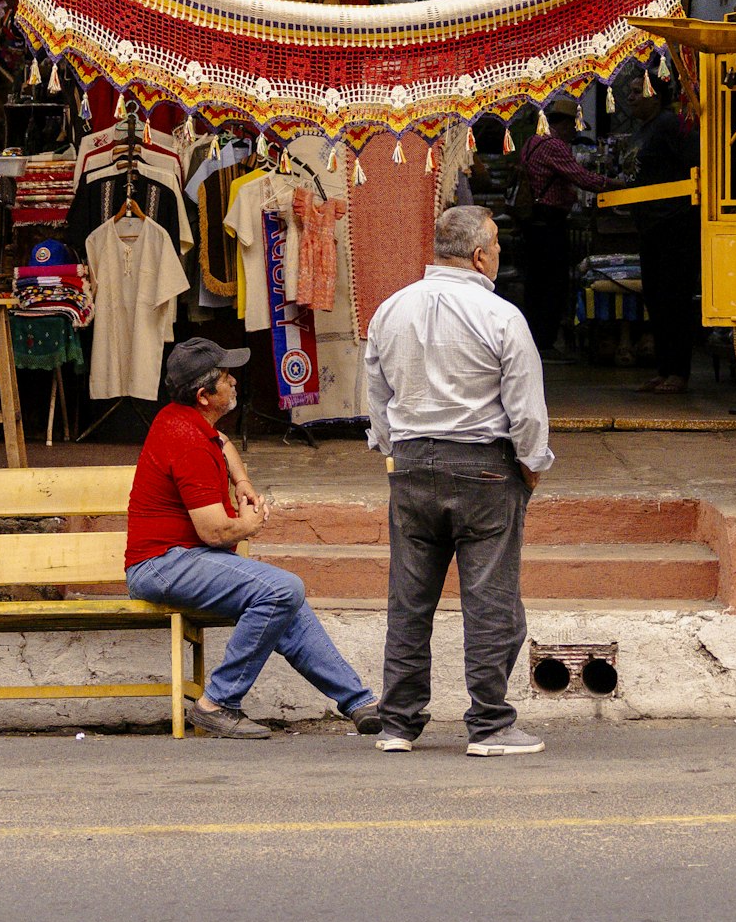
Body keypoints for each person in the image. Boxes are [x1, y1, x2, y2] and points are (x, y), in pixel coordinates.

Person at [362, 202, 553, 755]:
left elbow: (376, 399)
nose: (498, 255)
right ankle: (490, 724)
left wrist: (395, 450)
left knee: (409, 599)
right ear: (478, 255)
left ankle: (397, 722)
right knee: (491, 601)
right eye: (495, 246)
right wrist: (531, 465)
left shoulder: (391, 310)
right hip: (485, 469)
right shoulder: (501, 317)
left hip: (413, 466)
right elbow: (527, 409)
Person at [123, 336, 380, 738]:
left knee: (285, 598)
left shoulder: (183, 419)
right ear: (205, 395)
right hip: (164, 564)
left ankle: (360, 702)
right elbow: (213, 531)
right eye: (227, 378)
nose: (235, 383)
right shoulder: (188, 441)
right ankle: (217, 702)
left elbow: (223, 444)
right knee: (281, 589)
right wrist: (250, 523)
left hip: (178, 560)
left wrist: (240, 480)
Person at [631, 84, 703, 395]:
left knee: (675, 299)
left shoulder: (671, 124)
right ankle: (663, 369)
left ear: (654, 96)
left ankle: (679, 372)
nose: (630, 97)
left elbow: (696, 164)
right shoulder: (645, 130)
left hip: (675, 225)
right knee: (655, 298)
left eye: (637, 91)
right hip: (651, 227)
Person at [514, 103, 598, 351]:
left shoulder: (533, 141)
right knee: (553, 283)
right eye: (575, 126)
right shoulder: (555, 146)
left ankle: (534, 337)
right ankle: (545, 340)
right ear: (565, 123)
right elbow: (582, 177)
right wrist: (613, 184)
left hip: (533, 221)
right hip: (549, 222)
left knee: (536, 282)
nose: (575, 132)